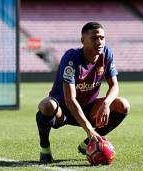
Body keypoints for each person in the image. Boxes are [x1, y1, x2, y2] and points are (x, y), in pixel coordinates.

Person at [36, 22, 130, 163]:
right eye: (94, 38)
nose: (99, 42)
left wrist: (106, 103)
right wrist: (88, 129)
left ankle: (87, 144)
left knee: (122, 104)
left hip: (88, 108)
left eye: (102, 38)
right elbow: (70, 100)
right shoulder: (71, 58)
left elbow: (114, 85)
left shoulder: (106, 54)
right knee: (46, 105)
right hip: (63, 110)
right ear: (83, 41)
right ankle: (45, 148)